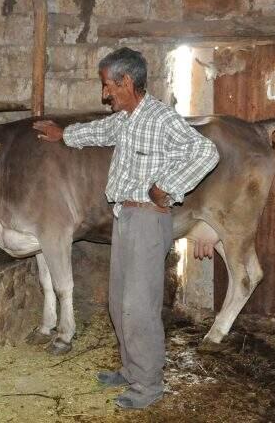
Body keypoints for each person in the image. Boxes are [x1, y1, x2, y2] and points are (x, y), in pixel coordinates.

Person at [32, 47, 219, 409]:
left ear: (127, 81)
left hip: (149, 219)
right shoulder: (127, 117)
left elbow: (205, 152)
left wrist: (168, 185)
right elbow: (98, 131)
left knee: (139, 306)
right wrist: (63, 135)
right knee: (119, 301)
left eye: (108, 86)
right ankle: (132, 370)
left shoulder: (161, 117)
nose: (104, 94)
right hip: (126, 218)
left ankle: (147, 386)